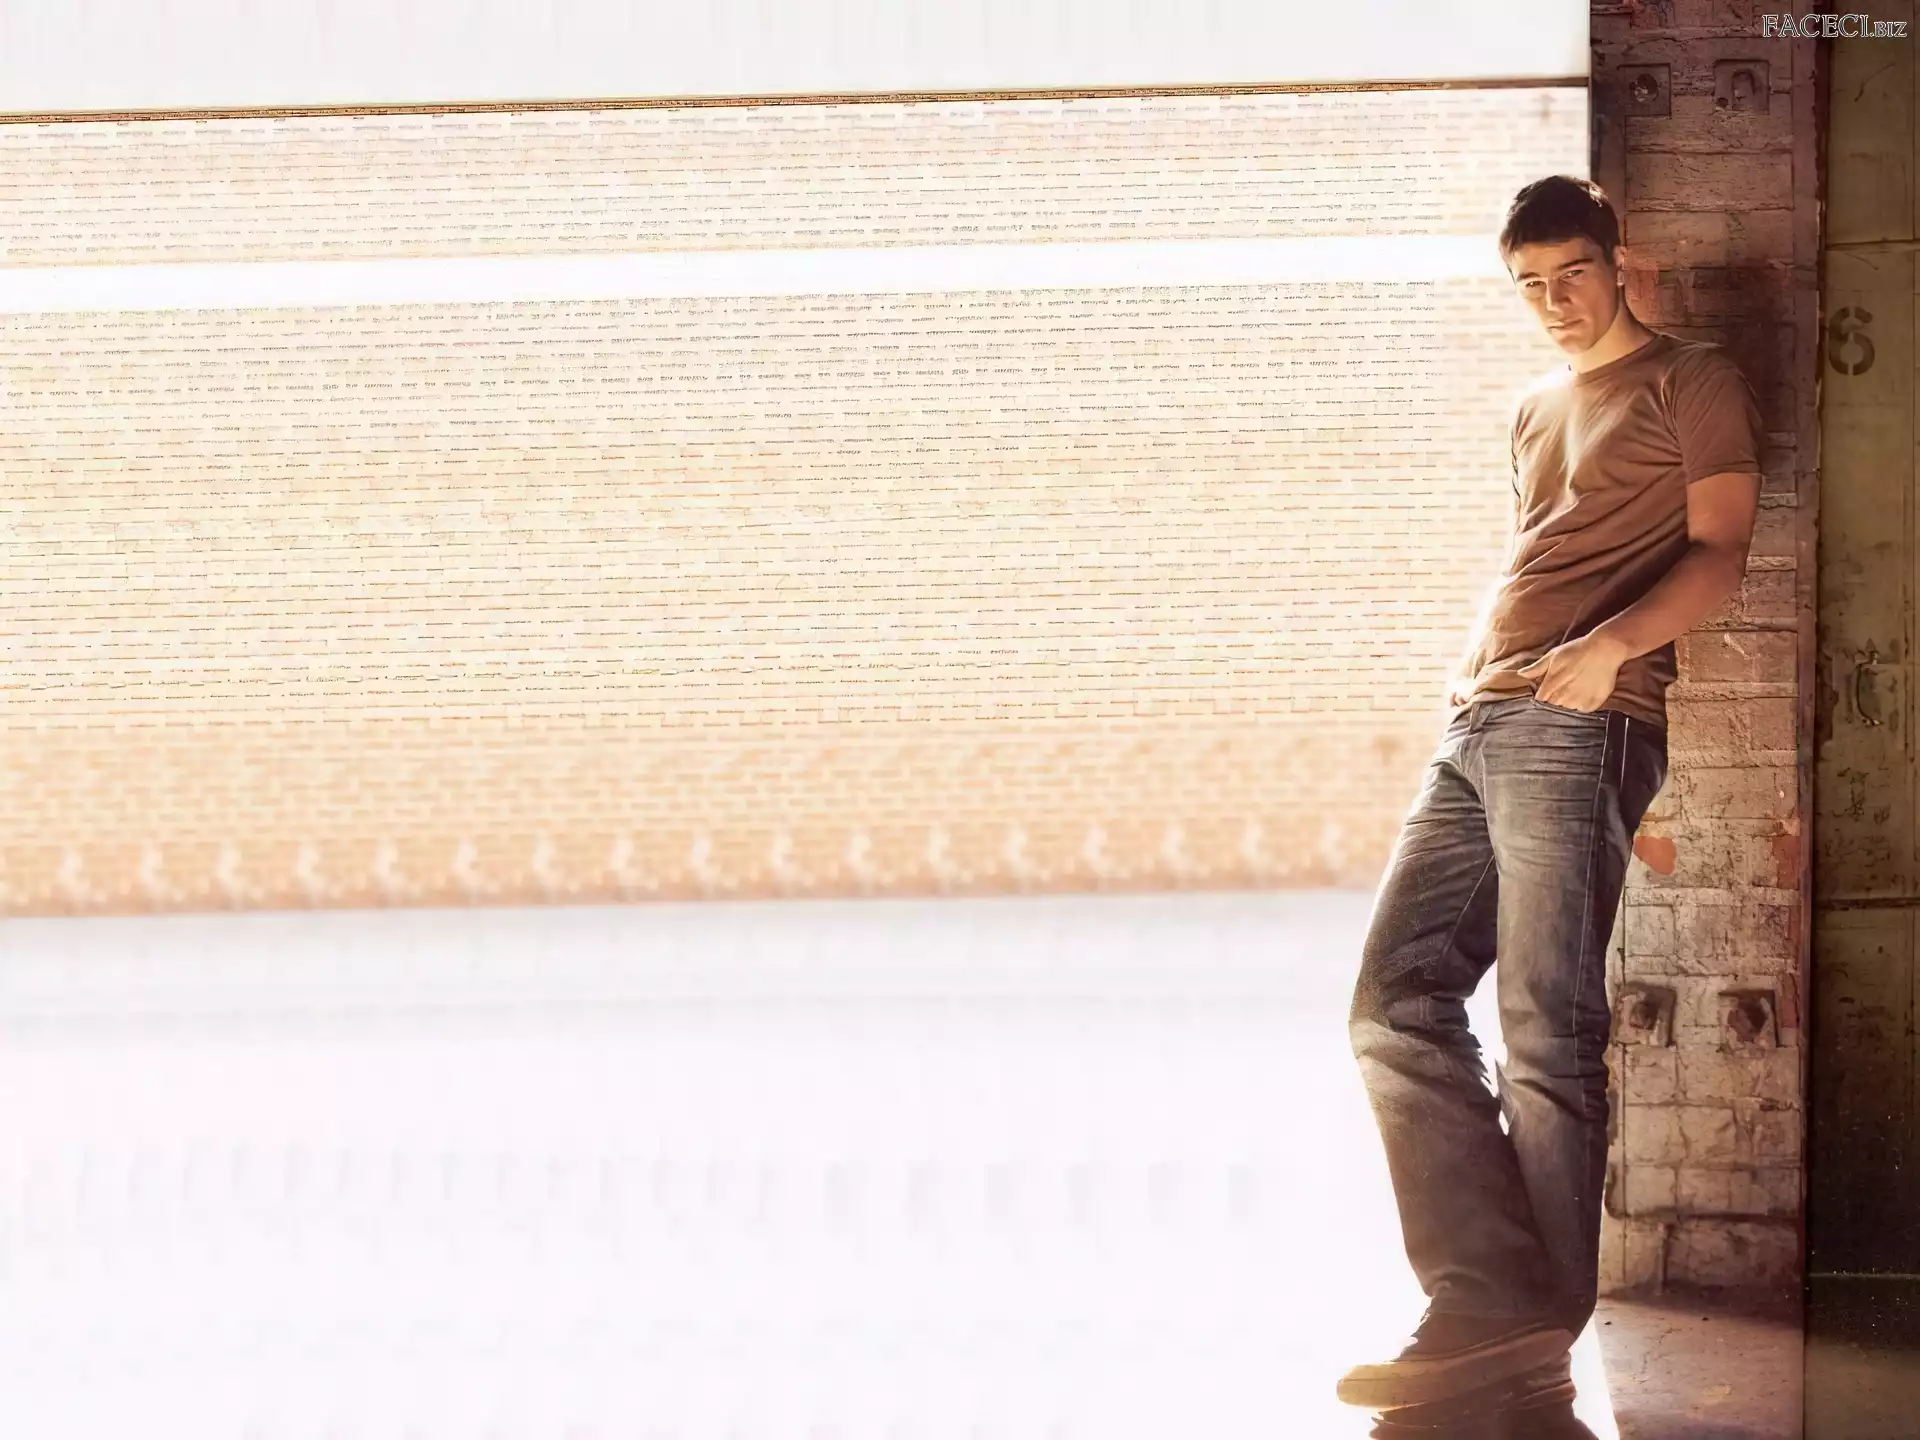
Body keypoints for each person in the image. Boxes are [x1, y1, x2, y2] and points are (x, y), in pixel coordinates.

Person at [1336, 175, 1765, 1421]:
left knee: (1544, 1021)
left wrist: (1611, 648)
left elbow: (1721, 548)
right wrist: (1477, 670)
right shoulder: (1532, 408)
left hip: (1585, 719)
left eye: (1573, 273)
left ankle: (1535, 1321)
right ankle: (1483, 1294)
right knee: (1392, 1003)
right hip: (1481, 720)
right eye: (1530, 285)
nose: (1555, 301)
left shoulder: (1690, 379)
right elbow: (1542, 554)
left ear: (1616, 261)